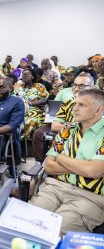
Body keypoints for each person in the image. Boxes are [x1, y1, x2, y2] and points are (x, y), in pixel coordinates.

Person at [29, 88, 104, 235]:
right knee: (28, 223)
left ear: (98, 110)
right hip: (54, 187)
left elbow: (93, 171)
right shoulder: (67, 130)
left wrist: (61, 158)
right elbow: (49, 165)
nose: (74, 108)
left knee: (53, 233)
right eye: (75, 104)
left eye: (81, 105)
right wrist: (83, 166)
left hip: (89, 197)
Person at [32, 73, 95, 162]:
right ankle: (41, 165)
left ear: (92, 87)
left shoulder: (99, 105)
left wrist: (68, 126)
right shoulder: (68, 103)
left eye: (82, 86)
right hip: (67, 140)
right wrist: (75, 128)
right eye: (75, 85)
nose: (76, 89)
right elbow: (54, 126)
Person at [16, 68, 49, 139]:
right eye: (23, 74)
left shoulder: (39, 86)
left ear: (33, 77)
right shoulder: (18, 87)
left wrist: (30, 104)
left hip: (33, 110)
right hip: (19, 109)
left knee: (31, 121)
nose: (24, 76)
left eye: (26, 75)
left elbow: (44, 100)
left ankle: (20, 139)